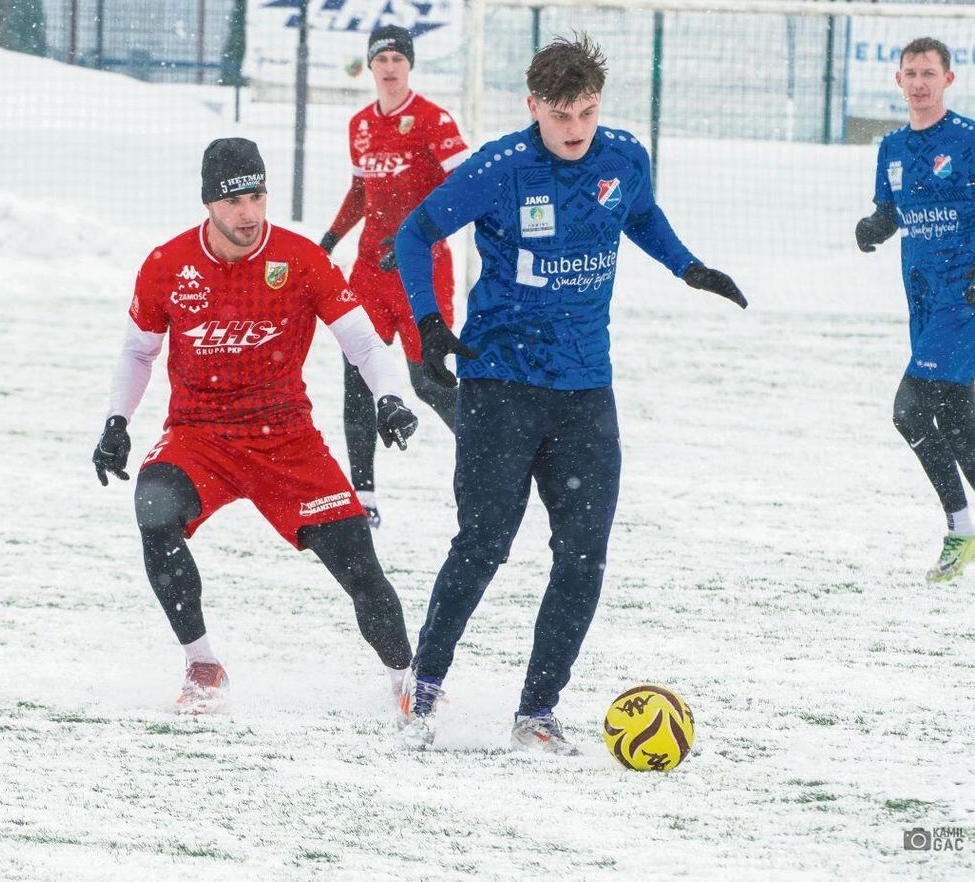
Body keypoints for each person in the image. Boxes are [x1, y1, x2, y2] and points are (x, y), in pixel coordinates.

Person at [392, 35, 747, 753]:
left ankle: (537, 712)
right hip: (500, 386)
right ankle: (423, 686)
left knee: (583, 554)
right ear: (534, 108)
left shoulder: (623, 157)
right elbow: (413, 232)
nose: (576, 129)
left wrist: (689, 267)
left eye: (586, 112)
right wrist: (429, 321)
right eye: (561, 115)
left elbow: (639, 214)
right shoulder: (500, 168)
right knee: (485, 544)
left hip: (586, 390)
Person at [93, 137, 421, 714]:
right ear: (208, 204)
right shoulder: (168, 264)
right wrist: (117, 422)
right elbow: (137, 353)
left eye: (258, 195)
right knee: (154, 512)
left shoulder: (300, 260)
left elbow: (364, 343)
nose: (249, 213)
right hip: (200, 436)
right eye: (234, 200)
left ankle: (409, 684)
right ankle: (202, 664)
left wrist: (390, 398)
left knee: (360, 569)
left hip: (287, 440)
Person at [319, 24, 472, 527]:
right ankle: (363, 497)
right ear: (370, 66)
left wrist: (416, 237)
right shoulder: (361, 124)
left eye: (397, 60)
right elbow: (362, 192)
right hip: (368, 270)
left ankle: (489, 469)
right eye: (381, 59)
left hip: (421, 269)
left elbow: (467, 189)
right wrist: (330, 239)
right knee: (357, 376)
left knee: (428, 381)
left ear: (410, 66)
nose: (389, 68)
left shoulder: (433, 120)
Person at [856, 37, 975, 583]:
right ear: (898, 81)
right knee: (957, 425)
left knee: (909, 410)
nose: (920, 82)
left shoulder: (969, 141)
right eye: (911, 73)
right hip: (924, 304)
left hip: (965, 303)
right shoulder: (893, 148)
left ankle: (960, 527)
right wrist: (875, 227)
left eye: (930, 72)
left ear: (948, 80)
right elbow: (892, 209)